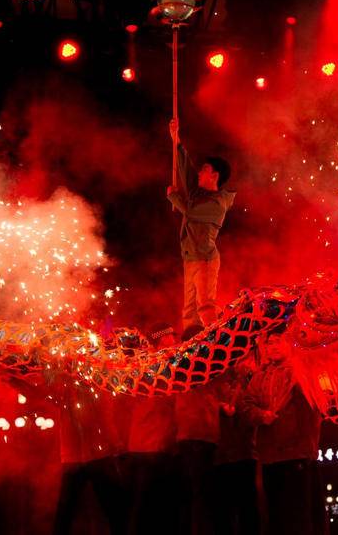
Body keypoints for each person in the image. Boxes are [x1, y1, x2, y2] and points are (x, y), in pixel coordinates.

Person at [240, 333, 326, 535]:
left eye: (278, 341)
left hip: (298, 455)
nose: (273, 346)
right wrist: (261, 415)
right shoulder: (261, 376)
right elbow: (246, 404)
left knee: (299, 517)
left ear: (290, 343)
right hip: (270, 457)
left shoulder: (304, 371)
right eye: (269, 342)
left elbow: (319, 405)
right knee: (277, 517)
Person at [167, 119, 235, 335]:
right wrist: (176, 141)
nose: (199, 172)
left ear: (215, 176)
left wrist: (174, 197)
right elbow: (186, 171)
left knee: (205, 305)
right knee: (189, 309)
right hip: (191, 258)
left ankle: (216, 342)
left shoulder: (217, 203)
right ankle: (192, 344)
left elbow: (191, 210)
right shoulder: (199, 194)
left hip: (205, 259)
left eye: (204, 169)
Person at [52, 383, 132, 535]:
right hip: (94, 454)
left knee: (66, 514)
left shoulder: (63, 385)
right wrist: (116, 444)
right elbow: (104, 418)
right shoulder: (96, 385)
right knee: (115, 510)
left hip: (78, 455)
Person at [127, 326, 179, 534]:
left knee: (155, 506)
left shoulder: (157, 363)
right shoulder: (153, 365)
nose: (174, 340)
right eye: (171, 336)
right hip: (148, 445)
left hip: (156, 445)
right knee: (147, 506)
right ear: (161, 339)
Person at [174, 324, 222, 535]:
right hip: (198, 435)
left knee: (194, 495)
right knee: (199, 496)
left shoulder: (181, 363)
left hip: (196, 435)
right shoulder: (199, 363)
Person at [212, 356, 261, 535]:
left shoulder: (250, 378)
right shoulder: (217, 379)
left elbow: (253, 406)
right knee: (229, 508)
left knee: (245, 506)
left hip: (242, 451)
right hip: (224, 451)